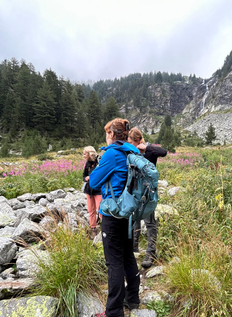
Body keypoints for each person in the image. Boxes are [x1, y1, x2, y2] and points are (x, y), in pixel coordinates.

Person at [89, 118, 140, 317]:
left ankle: (114, 312)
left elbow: (93, 182)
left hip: (113, 213)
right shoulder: (132, 151)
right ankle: (133, 298)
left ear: (111, 134)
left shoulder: (111, 154)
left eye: (107, 133)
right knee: (128, 255)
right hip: (129, 213)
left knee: (114, 262)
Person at [128, 127, 167, 268]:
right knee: (134, 220)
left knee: (150, 222)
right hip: (135, 191)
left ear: (137, 140)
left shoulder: (149, 152)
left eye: (131, 141)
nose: (129, 144)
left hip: (148, 193)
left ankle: (151, 253)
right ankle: (134, 248)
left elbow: (164, 152)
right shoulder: (131, 153)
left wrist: (146, 147)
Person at [82, 146, 102, 239]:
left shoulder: (99, 161)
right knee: (91, 210)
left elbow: (101, 174)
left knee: (100, 210)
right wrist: (86, 178)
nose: (84, 156)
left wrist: (92, 178)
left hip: (98, 190)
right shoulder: (87, 163)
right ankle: (93, 228)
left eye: (85, 153)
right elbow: (84, 175)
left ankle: (104, 227)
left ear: (90, 153)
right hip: (89, 190)